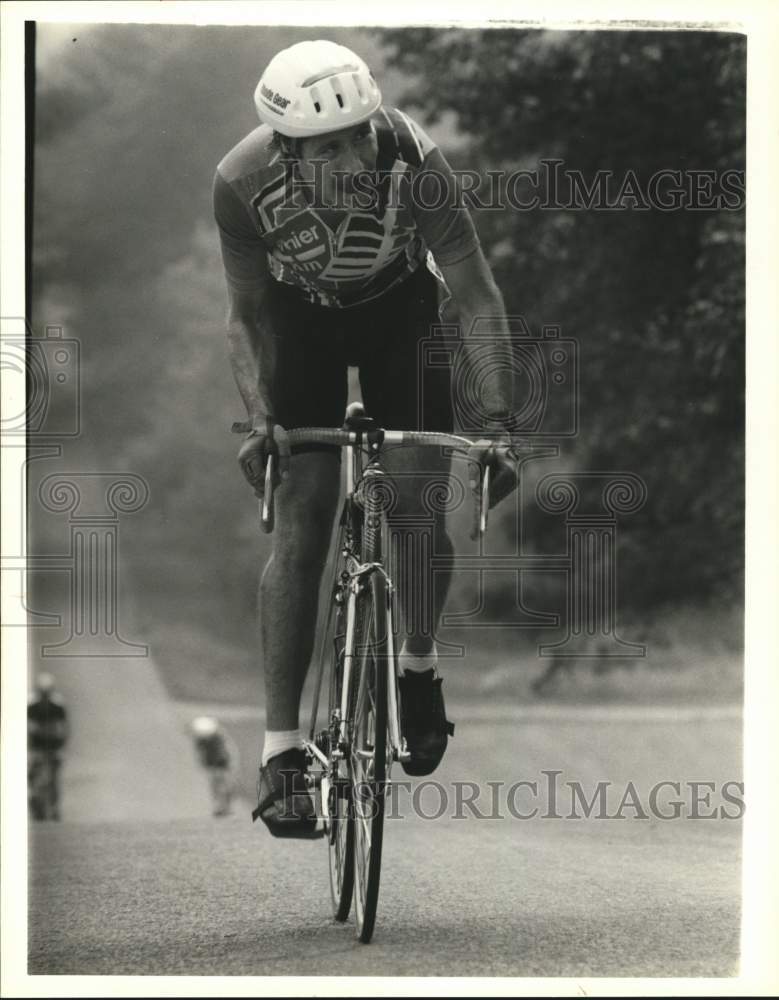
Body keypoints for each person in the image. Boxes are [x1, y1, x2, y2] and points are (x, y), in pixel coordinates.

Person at [214, 40, 518, 838]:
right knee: (305, 517)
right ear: (287, 152)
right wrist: (259, 423)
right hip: (298, 322)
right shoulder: (241, 184)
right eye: (328, 147)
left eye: (358, 135)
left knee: (417, 510)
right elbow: (244, 318)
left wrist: (495, 426)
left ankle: (416, 665)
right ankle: (283, 757)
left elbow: (477, 297)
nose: (352, 157)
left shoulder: (414, 161)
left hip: (399, 314)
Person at [27, 673, 69, 821]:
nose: (45, 695)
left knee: (54, 778)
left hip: (53, 746)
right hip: (37, 748)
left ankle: (54, 808)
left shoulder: (57, 705)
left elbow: (63, 727)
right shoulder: (32, 705)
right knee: (34, 776)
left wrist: (60, 745)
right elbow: (28, 727)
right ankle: (35, 803)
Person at [191, 716, 237, 818]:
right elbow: (200, 753)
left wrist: (229, 763)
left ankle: (226, 807)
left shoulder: (219, 738)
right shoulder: (201, 740)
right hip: (213, 763)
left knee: (225, 784)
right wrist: (204, 763)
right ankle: (220, 807)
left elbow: (227, 753)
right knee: (216, 784)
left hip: (223, 762)